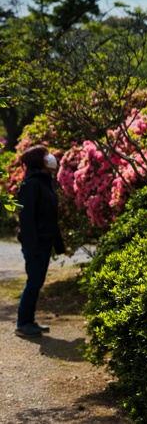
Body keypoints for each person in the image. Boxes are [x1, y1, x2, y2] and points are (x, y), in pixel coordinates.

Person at [14, 145, 66, 338]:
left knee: (36, 281)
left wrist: (58, 245)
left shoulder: (45, 182)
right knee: (34, 282)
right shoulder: (32, 185)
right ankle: (23, 323)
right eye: (45, 155)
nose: (50, 157)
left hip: (44, 242)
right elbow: (26, 220)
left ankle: (29, 321)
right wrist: (33, 246)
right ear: (38, 161)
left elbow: (51, 217)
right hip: (35, 244)